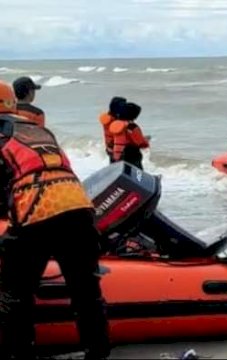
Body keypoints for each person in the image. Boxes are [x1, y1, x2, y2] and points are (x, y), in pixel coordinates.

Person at [0, 81, 110, 360]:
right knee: (86, 293)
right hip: (79, 207)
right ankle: (97, 352)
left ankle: (20, 353)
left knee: (16, 294)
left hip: (38, 211)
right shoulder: (37, 128)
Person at [109, 102, 150, 170]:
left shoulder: (115, 124)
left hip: (116, 152)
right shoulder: (132, 127)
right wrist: (146, 141)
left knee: (119, 171)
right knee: (136, 173)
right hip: (131, 154)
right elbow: (140, 143)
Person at [99, 96, 127, 163]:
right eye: (124, 106)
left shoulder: (108, 118)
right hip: (117, 150)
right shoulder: (115, 122)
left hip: (110, 148)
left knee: (114, 167)